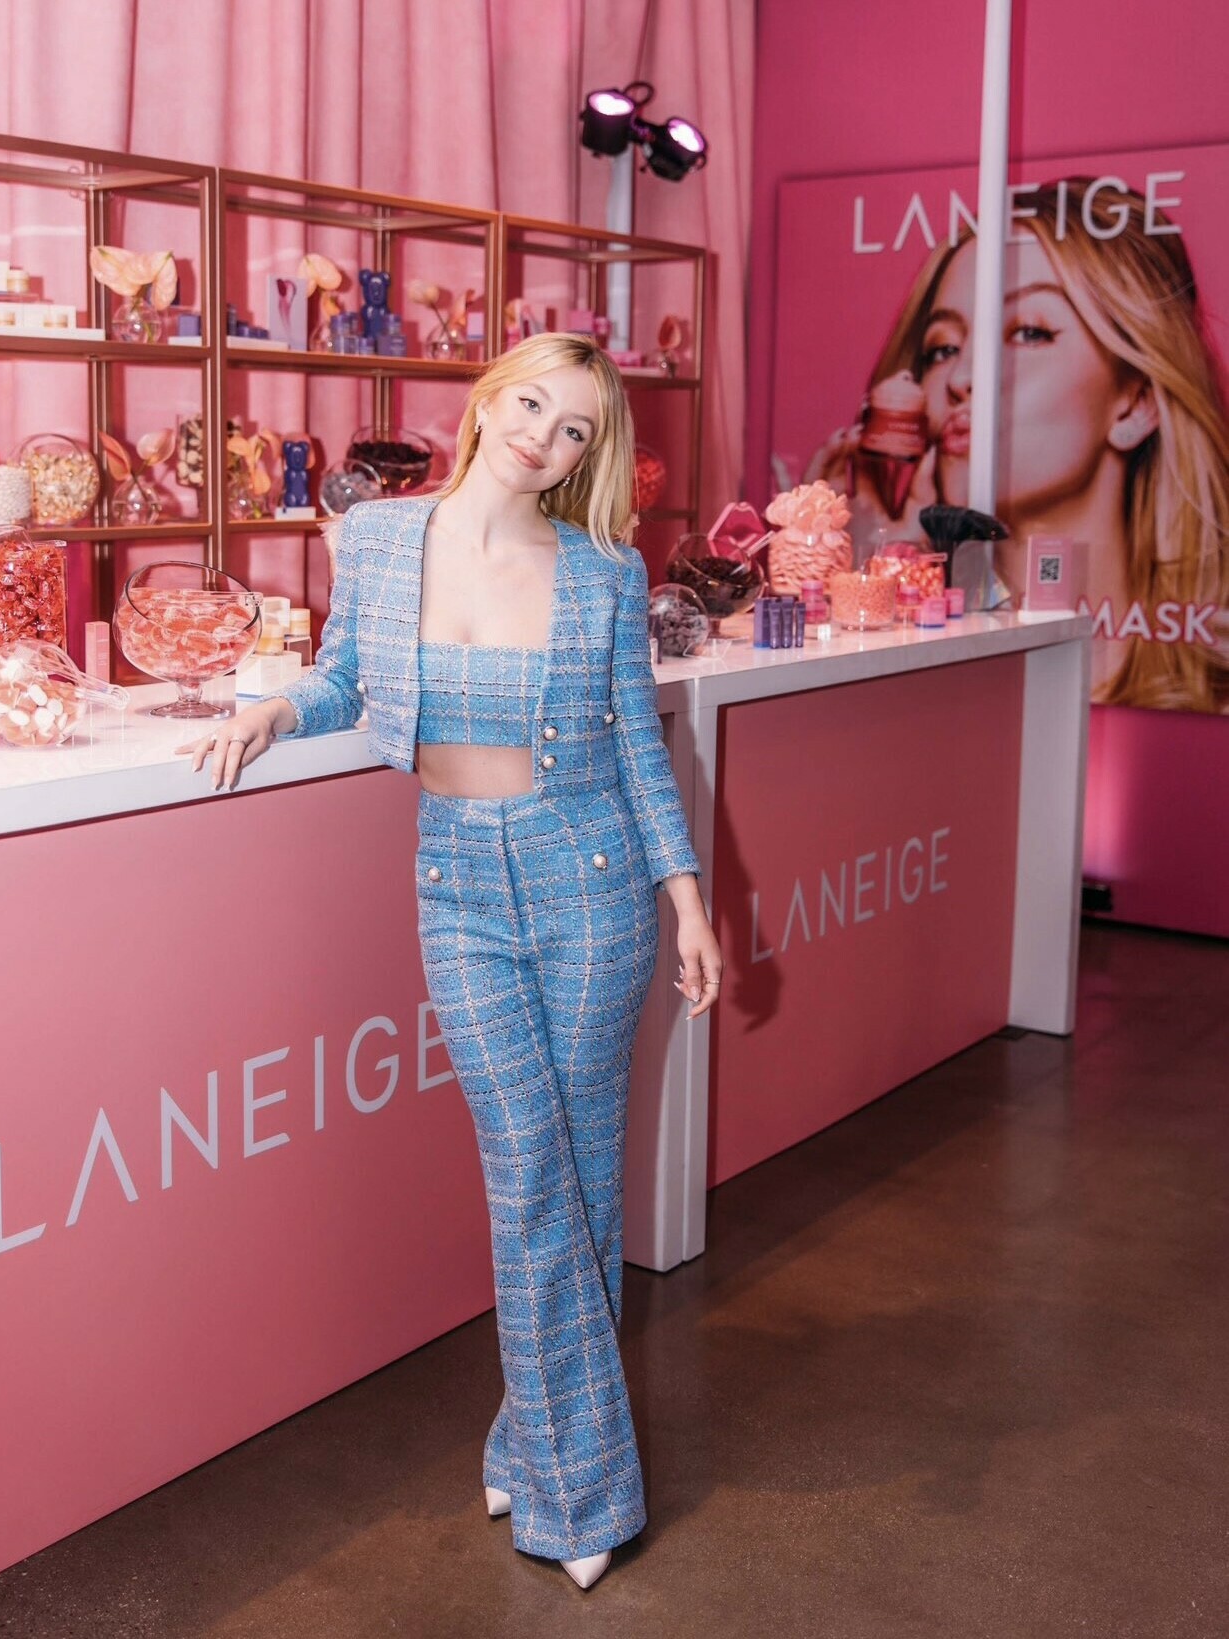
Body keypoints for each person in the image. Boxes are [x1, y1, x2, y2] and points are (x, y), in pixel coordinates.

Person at [178, 332, 722, 1590]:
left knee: (576, 1177)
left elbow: (637, 747)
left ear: (589, 454)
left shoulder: (603, 570)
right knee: (530, 1167)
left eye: (574, 428)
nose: (542, 436)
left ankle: (547, 1465)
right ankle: (571, 1476)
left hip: (591, 881)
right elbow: (346, 677)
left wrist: (686, 899)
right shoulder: (374, 537)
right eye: (530, 404)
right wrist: (276, 708)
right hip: (457, 883)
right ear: (486, 400)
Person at [810, 180, 1229, 712]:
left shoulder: (1212, 687)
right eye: (943, 348)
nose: (962, 377)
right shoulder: (936, 654)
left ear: (1136, 402)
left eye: (1029, 332)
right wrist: (871, 558)